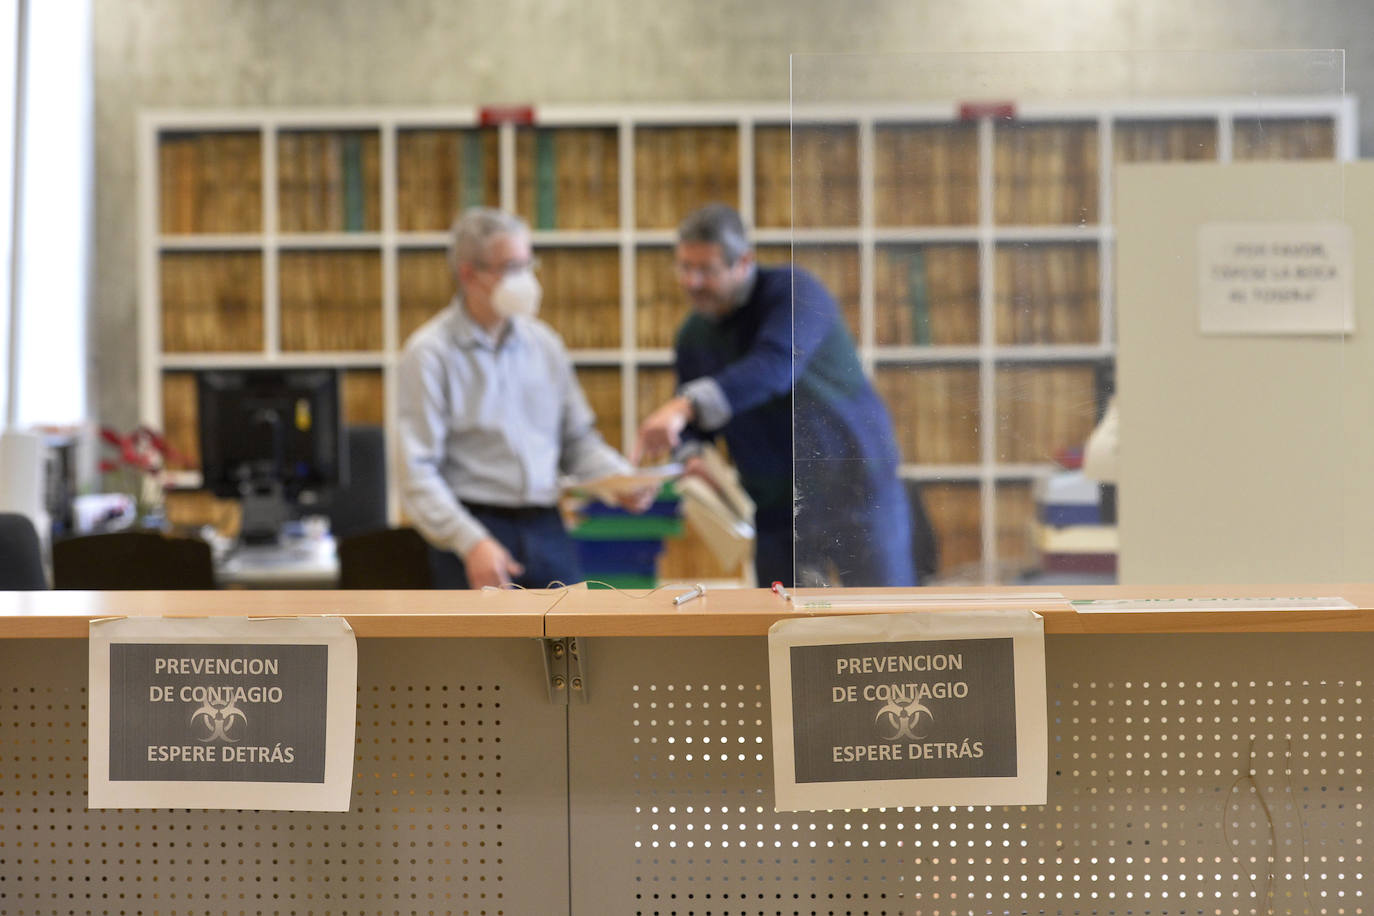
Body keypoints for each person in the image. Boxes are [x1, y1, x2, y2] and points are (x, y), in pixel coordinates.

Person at [634, 203, 917, 588]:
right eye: (684, 267)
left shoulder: (796, 293)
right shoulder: (693, 337)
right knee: (781, 630)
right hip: (776, 509)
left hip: (857, 492)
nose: (692, 282)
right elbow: (692, 428)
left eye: (706, 270)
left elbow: (773, 368)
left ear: (744, 262)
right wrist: (691, 456)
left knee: (886, 625)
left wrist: (684, 406)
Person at [397, 207, 649, 589]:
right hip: (473, 529)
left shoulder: (545, 344)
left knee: (571, 643)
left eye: (529, 264)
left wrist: (619, 480)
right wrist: (472, 542)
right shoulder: (429, 353)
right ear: (469, 274)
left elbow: (577, 441)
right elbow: (417, 472)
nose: (526, 279)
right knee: (479, 649)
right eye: (511, 267)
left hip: (546, 526)